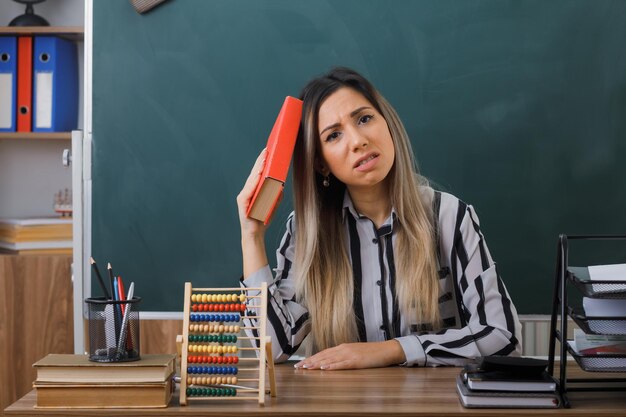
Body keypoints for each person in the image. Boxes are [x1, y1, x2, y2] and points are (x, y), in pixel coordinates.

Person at [237, 67, 522, 370]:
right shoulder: (307, 232)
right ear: (321, 164)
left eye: (364, 119)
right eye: (334, 135)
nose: (358, 140)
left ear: (387, 124)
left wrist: (391, 350)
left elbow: (503, 338)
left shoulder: (449, 216)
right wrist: (251, 236)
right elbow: (273, 347)